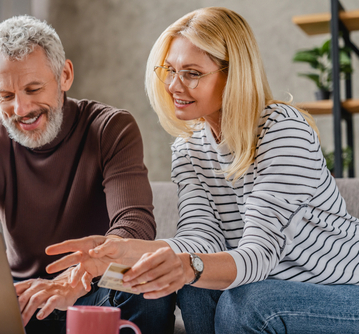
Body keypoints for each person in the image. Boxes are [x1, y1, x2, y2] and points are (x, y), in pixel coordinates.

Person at [45, 7, 359, 334]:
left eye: (192, 73)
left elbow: (260, 254)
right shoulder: (190, 146)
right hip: (274, 285)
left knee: (250, 302)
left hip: (345, 288)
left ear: (233, 74)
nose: (173, 85)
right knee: (195, 288)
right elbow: (199, 239)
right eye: (170, 69)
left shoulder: (282, 131)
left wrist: (185, 266)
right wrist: (120, 253)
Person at [0, 15, 175, 334]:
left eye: (33, 89)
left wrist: (81, 275)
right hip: (23, 297)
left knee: (149, 290)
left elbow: (136, 225)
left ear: (64, 75)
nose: (20, 109)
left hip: (96, 289)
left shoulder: (109, 128)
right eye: (5, 96)